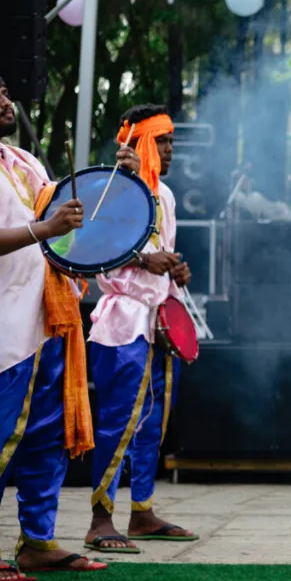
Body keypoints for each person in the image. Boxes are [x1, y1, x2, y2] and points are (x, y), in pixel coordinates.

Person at [0, 67, 138, 581]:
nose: (6, 104)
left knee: (46, 439)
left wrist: (122, 179)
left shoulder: (22, 160)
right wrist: (45, 227)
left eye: (5, 93)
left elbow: (72, 215)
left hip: (49, 317)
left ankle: (37, 541)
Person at [83, 105, 197, 554]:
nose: (170, 149)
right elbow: (88, 249)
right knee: (119, 420)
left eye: (171, 141)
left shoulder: (163, 195)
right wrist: (142, 261)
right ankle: (100, 518)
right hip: (123, 318)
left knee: (153, 421)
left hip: (160, 318)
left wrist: (174, 270)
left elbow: (161, 254)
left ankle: (142, 512)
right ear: (139, 143)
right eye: (161, 141)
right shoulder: (114, 188)